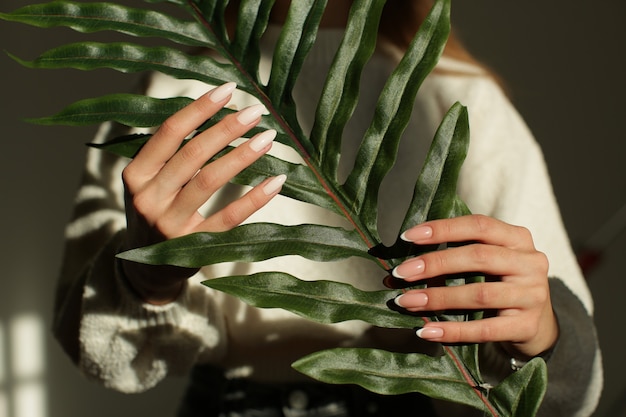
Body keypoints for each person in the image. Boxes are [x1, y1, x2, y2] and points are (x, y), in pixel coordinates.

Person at [52, 0, 602, 415]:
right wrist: (145, 282)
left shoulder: (456, 95)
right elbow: (101, 349)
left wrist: (544, 335)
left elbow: (565, 375)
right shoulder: (177, 89)